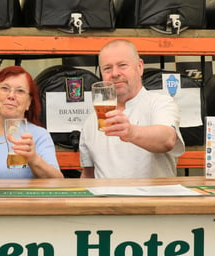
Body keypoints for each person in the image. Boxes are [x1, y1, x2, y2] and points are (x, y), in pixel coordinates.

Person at [79, 39, 184, 178]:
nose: (115, 73)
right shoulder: (91, 121)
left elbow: (167, 140)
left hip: (152, 198)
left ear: (140, 67)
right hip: (106, 199)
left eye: (122, 65)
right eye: (107, 68)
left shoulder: (160, 103)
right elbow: (89, 175)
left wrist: (131, 132)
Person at [0, 66, 64, 178]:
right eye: (5, 88)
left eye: (20, 91)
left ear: (29, 103)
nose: (11, 96)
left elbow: (57, 181)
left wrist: (34, 159)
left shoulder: (39, 135)